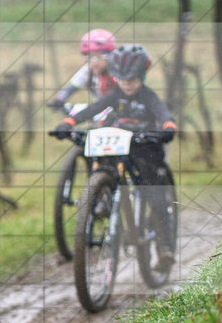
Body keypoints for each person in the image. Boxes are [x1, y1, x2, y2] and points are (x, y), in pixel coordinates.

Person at [51, 43, 178, 267]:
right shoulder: (113, 95)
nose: (128, 84)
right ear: (115, 77)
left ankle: (164, 247)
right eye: (122, 79)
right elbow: (92, 109)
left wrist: (168, 126)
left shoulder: (148, 96)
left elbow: (162, 111)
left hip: (145, 146)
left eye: (133, 79)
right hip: (119, 142)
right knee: (101, 162)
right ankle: (101, 196)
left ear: (142, 76)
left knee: (154, 195)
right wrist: (69, 122)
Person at [47, 28, 117, 112]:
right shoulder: (88, 70)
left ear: (110, 56)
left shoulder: (118, 71)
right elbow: (71, 88)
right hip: (100, 109)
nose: (94, 62)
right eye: (89, 57)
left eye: (99, 57)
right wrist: (59, 100)